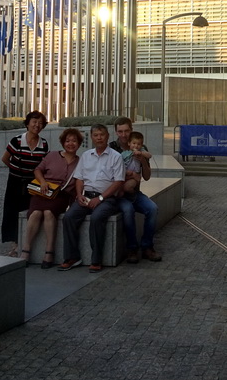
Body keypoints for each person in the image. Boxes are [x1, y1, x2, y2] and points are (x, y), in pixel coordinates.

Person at [58, 123, 124, 273]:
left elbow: (118, 182)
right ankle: (72, 257)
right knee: (69, 217)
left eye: (102, 135)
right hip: (86, 196)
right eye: (96, 135)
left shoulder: (116, 157)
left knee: (97, 218)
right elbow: (79, 178)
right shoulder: (86, 156)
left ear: (107, 136)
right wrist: (79, 195)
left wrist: (100, 198)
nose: (99, 138)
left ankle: (96, 259)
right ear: (92, 138)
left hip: (107, 199)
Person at [25, 127, 82, 269]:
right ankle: (26, 251)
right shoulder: (52, 155)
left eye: (74, 141)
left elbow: (80, 183)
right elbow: (38, 170)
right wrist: (43, 182)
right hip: (43, 191)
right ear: (63, 143)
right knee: (36, 213)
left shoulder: (81, 162)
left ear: (79, 144)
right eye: (67, 141)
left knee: (49, 213)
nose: (70, 143)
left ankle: (49, 252)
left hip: (61, 196)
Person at [110, 117, 161, 263]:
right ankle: (132, 248)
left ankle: (147, 247)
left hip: (135, 193)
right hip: (119, 194)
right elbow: (109, 175)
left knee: (152, 209)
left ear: (131, 130)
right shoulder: (113, 148)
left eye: (126, 131)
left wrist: (143, 161)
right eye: (120, 131)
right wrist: (132, 175)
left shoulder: (140, 148)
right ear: (116, 132)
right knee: (128, 210)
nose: (124, 135)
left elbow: (147, 176)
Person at [1, 111, 49, 259]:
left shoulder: (44, 144)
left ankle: (27, 243)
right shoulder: (17, 141)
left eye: (40, 123)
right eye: (34, 122)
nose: (37, 125)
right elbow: (5, 159)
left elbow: (43, 165)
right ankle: (15, 244)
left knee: (28, 211)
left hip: (32, 183)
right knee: (12, 212)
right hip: (15, 181)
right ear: (27, 124)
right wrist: (15, 170)